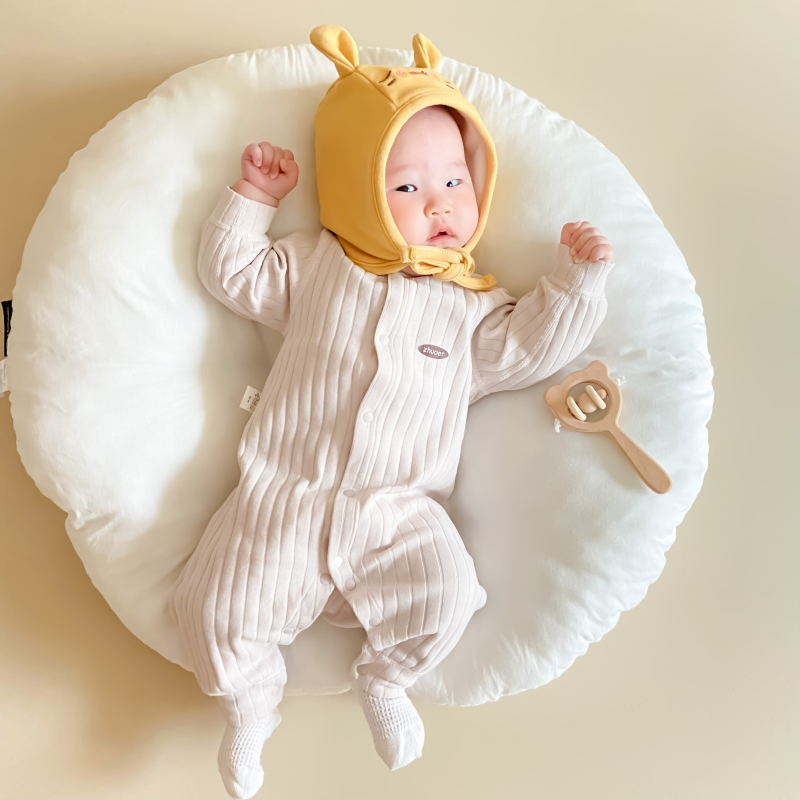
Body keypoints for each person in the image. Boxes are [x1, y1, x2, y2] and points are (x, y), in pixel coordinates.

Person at [170, 25, 614, 800]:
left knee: (448, 595)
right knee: (215, 608)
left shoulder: (474, 308)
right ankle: (249, 707)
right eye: (406, 188)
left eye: (455, 181)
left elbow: (527, 352)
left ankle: (386, 677)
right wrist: (255, 200)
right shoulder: (318, 264)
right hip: (286, 495)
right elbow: (235, 273)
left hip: (400, 510)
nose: (438, 203)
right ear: (355, 191)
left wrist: (574, 286)